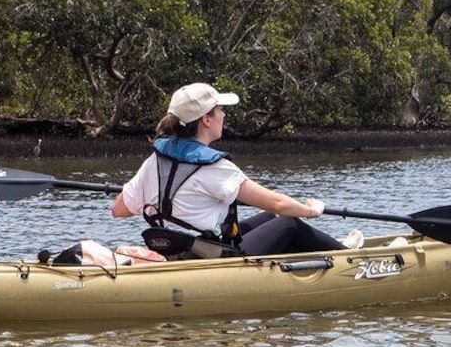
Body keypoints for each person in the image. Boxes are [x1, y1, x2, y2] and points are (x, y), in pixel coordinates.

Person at [111, 82, 345, 255]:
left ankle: (321, 251)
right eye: (220, 109)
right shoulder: (217, 168)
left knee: (268, 217)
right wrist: (311, 210)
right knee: (289, 222)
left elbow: (119, 209)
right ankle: (348, 258)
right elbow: (278, 203)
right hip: (209, 258)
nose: (223, 114)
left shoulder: (154, 161)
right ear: (206, 119)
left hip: (177, 249)